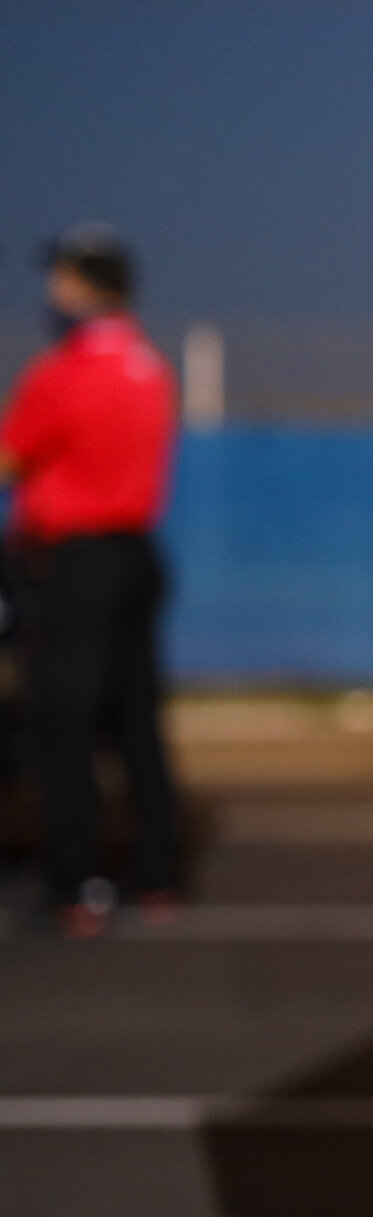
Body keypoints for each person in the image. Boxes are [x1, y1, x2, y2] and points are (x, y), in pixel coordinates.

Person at [0, 225, 181, 937]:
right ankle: (159, 874)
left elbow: (12, 459)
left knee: (63, 725)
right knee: (136, 719)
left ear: (86, 286)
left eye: (63, 276)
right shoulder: (151, 368)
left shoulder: (63, 372)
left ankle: (73, 883)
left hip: (74, 564)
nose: (53, 290)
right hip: (135, 558)